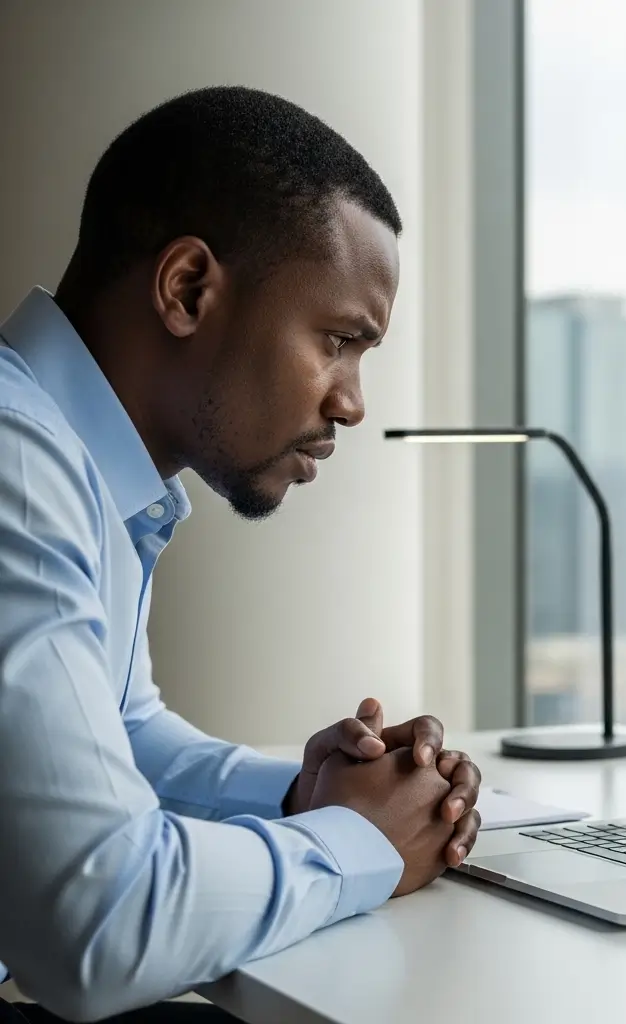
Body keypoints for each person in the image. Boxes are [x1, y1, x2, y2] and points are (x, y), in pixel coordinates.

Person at [0, 86, 482, 1023]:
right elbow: (97, 923)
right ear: (187, 289)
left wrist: (322, 792)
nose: (352, 403)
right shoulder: (16, 467)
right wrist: (357, 841)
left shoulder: (78, 464)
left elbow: (124, 733)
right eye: (340, 341)